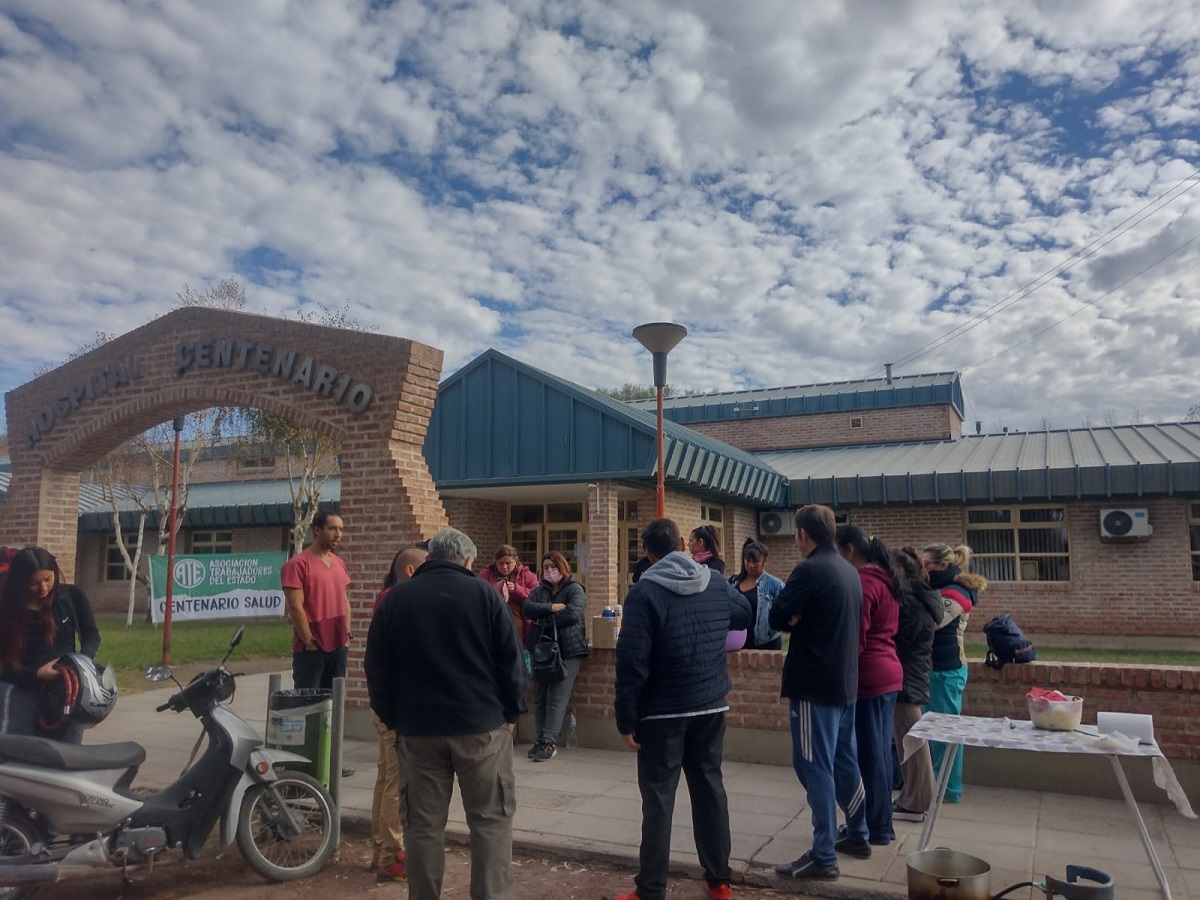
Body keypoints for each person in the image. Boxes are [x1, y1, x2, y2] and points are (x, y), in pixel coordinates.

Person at [365, 528, 526, 900]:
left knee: (422, 827)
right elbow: (511, 661)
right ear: (467, 560)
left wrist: (393, 718)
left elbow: (376, 667)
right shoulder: (486, 594)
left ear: (431, 556)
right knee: (490, 823)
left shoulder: (394, 599)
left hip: (418, 730)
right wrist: (512, 713)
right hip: (481, 727)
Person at [614, 517, 751, 900]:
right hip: (710, 704)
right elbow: (743, 614)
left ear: (648, 552)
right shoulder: (714, 581)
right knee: (709, 788)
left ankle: (651, 889)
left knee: (658, 798)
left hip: (662, 712)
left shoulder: (644, 593)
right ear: (680, 544)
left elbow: (632, 662)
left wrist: (626, 717)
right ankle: (719, 879)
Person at [770, 505, 867, 881]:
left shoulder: (808, 570)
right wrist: (796, 615)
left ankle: (823, 854)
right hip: (845, 682)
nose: (795, 539)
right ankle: (858, 831)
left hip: (814, 685)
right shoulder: (849, 570)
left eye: (796, 534)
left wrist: (794, 617)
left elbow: (777, 616)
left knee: (814, 766)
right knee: (844, 760)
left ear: (804, 535)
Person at [834, 525, 903, 847]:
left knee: (869, 755)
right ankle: (879, 823)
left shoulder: (864, 582)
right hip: (887, 672)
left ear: (848, 550)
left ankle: (876, 826)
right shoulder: (886, 579)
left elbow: (854, 638)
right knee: (878, 751)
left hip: (869, 676)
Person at [368, 543, 429, 883]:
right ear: (410, 571)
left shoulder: (386, 599)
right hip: (394, 706)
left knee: (384, 777)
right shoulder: (396, 601)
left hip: (383, 703)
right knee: (396, 782)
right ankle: (392, 855)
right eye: (425, 566)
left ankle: (380, 849)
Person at [0, 546, 101, 743]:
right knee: (21, 757)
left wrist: (79, 663)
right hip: (20, 694)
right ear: (19, 583)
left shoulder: (71, 596)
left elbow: (92, 635)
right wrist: (36, 674)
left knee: (65, 755)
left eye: (48, 579)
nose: (43, 588)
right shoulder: (6, 610)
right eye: (34, 583)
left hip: (64, 693)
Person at [921, 543, 987, 804]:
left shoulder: (956, 594)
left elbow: (931, 623)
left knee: (945, 734)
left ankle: (948, 789)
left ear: (941, 566)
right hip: (930, 670)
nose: (921, 570)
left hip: (946, 671)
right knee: (928, 732)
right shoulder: (936, 590)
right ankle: (932, 784)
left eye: (925, 565)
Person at [889, 547, 943, 822]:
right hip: (913, 677)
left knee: (911, 740)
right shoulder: (923, 600)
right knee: (908, 740)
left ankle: (916, 800)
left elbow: (898, 640)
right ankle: (913, 796)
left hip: (907, 680)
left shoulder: (911, 604)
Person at [523, 551, 588, 762]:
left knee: (557, 697)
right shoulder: (540, 590)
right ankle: (540, 738)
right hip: (542, 650)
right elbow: (528, 608)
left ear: (563, 568)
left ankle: (550, 741)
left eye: (554, 567)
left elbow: (573, 614)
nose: (550, 571)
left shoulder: (574, 589)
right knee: (540, 696)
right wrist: (551, 608)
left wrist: (543, 620)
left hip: (568, 650)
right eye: (546, 567)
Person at [281, 511, 352, 691]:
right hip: (312, 650)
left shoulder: (339, 563)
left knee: (333, 704)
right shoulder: (297, 565)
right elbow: (295, 606)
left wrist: (346, 635)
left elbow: (344, 600)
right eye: (332, 529)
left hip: (338, 646)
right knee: (309, 704)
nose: (338, 534)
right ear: (317, 530)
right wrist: (309, 642)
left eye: (341, 529)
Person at [478, 545, 539, 648]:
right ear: (495, 562)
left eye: (508, 563)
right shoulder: (486, 574)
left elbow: (536, 598)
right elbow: (478, 596)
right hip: (494, 622)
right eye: (500, 563)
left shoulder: (527, 575)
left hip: (519, 624)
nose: (504, 567)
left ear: (515, 561)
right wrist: (494, 591)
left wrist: (517, 589)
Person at [728, 538, 784, 650]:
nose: (751, 565)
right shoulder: (732, 582)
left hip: (766, 643)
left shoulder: (775, 585)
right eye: (747, 561)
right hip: (737, 643)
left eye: (755, 561)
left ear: (765, 561)